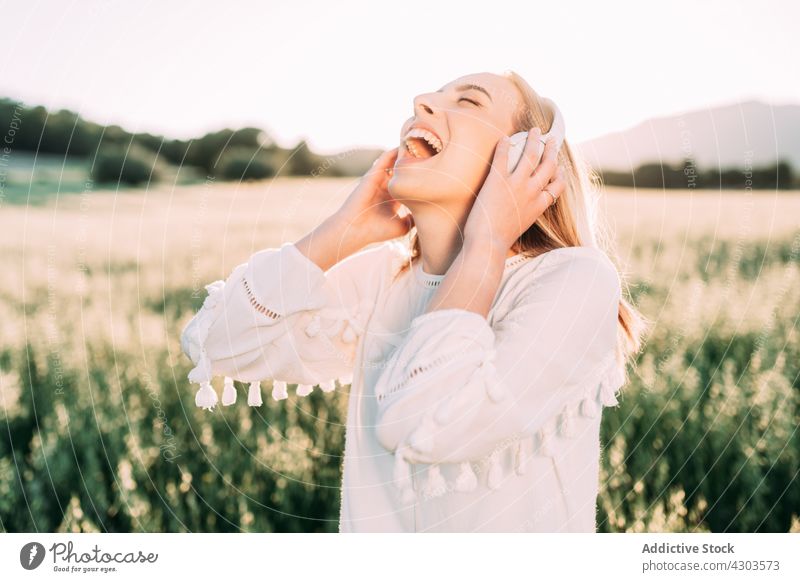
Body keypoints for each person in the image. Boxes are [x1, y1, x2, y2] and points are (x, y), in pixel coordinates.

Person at [180, 70, 648, 532]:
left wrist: (486, 242)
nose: (420, 100)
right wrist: (339, 234)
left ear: (527, 162)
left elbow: (421, 422)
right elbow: (217, 342)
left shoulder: (574, 280)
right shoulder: (384, 278)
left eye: (469, 101)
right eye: (433, 93)